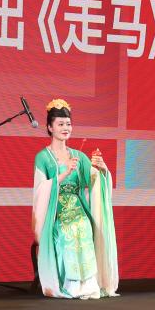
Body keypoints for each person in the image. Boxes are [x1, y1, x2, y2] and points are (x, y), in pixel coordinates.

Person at [31, 99, 118, 298]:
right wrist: (63, 174)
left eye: (68, 124)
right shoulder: (42, 157)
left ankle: (88, 284)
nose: (65, 128)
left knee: (83, 225)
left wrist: (102, 169)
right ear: (50, 127)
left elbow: (94, 180)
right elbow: (40, 190)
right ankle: (69, 284)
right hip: (55, 211)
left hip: (78, 208)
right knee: (68, 229)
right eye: (60, 124)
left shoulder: (78, 155)